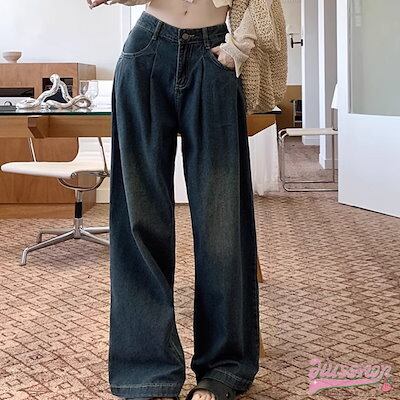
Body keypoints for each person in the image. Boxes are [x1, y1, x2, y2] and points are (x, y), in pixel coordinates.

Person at [87, 1, 284, 399]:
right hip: (146, 49)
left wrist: (237, 49)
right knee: (140, 219)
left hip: (214, 55)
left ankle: (223, 369)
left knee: (222, 222)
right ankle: (148, 372)